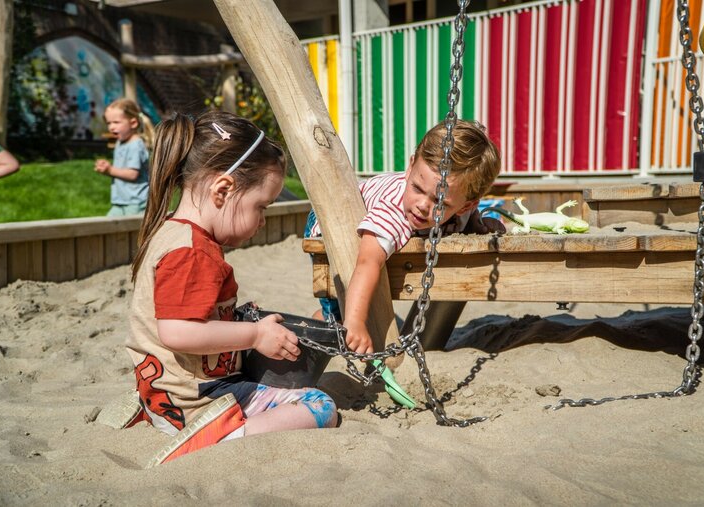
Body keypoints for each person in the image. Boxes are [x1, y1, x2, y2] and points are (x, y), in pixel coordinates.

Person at [125, 110, 337, 464]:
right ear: (223, 189)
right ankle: (222, 438)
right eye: (261, 206)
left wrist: (236, 319)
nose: (263, 220)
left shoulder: (171, 233)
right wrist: (253, 336)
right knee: (320, 405)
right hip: (196, 403)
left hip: (163, 395)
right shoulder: (194, 252)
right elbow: (176, 331)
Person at [306, 119, 502, 354]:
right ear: (410, 167)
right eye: (417, 189)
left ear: (465, 206)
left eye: (439, 203)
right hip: (331, 224)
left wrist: (479, 225)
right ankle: (315, 329)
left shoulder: (460, 206)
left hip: (379, 226)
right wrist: (355, 322)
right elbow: (368, 262)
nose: (422, 205)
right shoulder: (394, 210)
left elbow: (467, 217)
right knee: (339, 315)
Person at [94, 98, 153, 216]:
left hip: (136, 202)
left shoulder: (136, 145)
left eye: (116, 122)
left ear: (133, 123)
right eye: (109, 123)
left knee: (132, 233)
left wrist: (110, 170)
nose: (111, 127)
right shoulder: (120, 143)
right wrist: (107, 168)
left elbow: (132, 174)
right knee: (108, 227)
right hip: (121, 201)